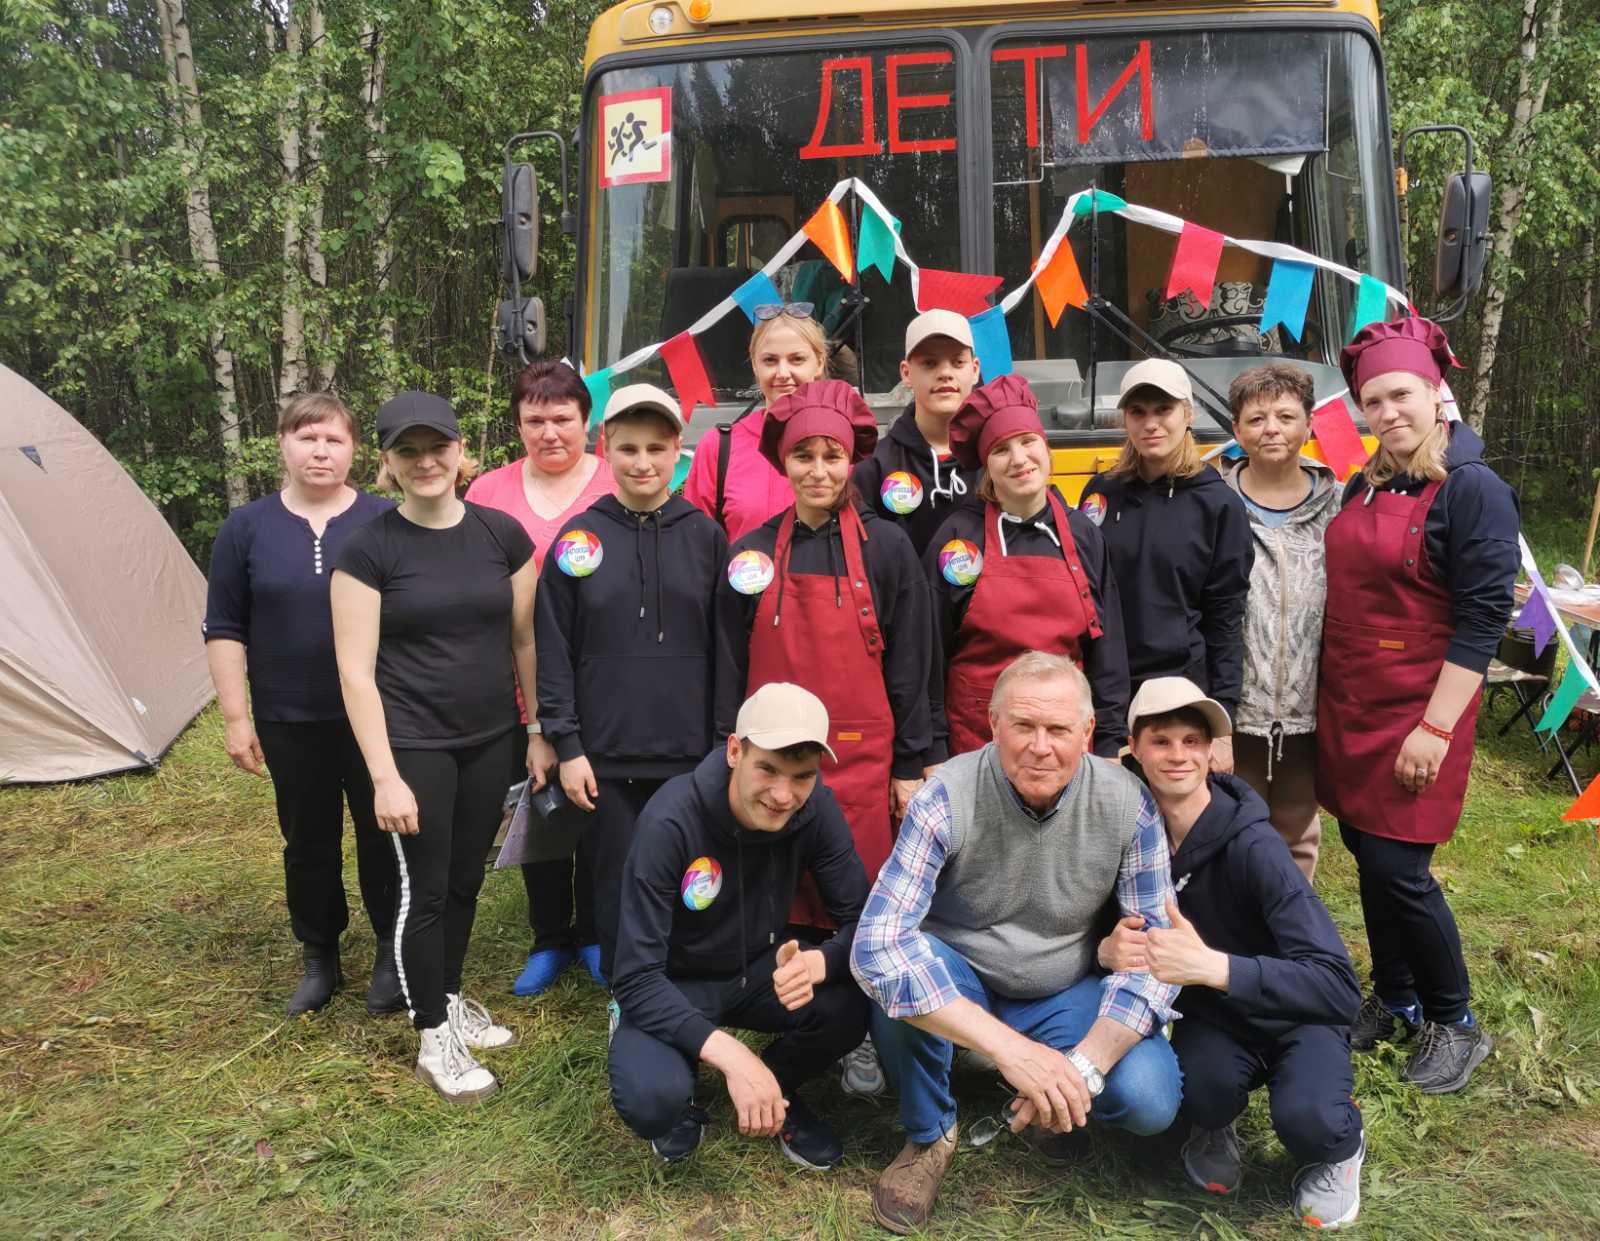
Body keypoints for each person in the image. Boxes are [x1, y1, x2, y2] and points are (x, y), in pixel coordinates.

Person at [851, 652, 1182, 1236]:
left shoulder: (1128, 804)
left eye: (1058, 730)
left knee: (1150, 1098)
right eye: (1023, 726)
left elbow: (1154, 952)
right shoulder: (946, 795)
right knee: (906, 963)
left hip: (1061, 985)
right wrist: (1011, 1050)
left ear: (1086, 734)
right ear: (993, 725)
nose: (1040, 746)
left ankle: (1060, 1098)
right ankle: (929, 1136)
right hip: (961, 980)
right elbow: (875, 946)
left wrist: (1086, 1063)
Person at [1318, 316, 1518, 1094]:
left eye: (1401, 394)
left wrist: (1435, 727)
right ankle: (1395, 996)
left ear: (1437, 395)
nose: (1388, 411)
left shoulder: (1473, 490)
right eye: (1373, 400)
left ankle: (1456, 1019)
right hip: (1352, 707)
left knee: (1402, 870)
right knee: (1368, 856)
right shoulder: (1363, 483)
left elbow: (1482, 621)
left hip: (1419, 713)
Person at [332, 392, 551, 1103]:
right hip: (414, 744)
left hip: (490, 738)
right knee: (423, 891)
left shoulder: (502, 534)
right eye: (408, 451)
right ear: (387, 463)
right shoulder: (368, 550)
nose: (426, 462)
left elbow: (523, 639)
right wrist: (384, 775)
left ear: (462, 450)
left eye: (438, 447)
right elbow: (356, 673)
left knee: (465, 881)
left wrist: (537, 728)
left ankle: (449, 994)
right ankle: (432, 1035)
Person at [1107, 677, 1363, 1230]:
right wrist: (1107, 948)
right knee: (1197, 1091)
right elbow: (1101, 925)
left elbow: (1340, 987)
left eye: (1192, 741)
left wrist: (1213, 967)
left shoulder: (1255, 846)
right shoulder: (1129, 832)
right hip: (1215, 1019)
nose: (1178, 756)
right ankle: (1214, 1121)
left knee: (1310, 1121)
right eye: (1162, 741)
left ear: (1212, 751)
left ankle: (1342, 1153)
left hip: (1298, 1015)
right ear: (1134, 749)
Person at [608, 683, 871, 1171]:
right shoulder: (671, 820)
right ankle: (689, 1077)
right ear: (735, 750)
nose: (782, 795)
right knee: (652, 1099)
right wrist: (733, 1056)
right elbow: (635, 974)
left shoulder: (815, 810)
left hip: (757, 971)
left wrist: (821, 960)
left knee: (852, 1004)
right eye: (767, 769)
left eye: (802, 776)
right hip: (672, 982)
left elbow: (865, 921)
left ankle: (777, 1086)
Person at [203, 393, 399, 1017]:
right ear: (282, 444)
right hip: (289, 716)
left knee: (382, 835)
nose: (320, 451)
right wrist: (237, 717)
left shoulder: (386, 519)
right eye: (307, 437)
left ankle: (393, 958)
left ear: (355, 451)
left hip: (377, 716)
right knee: (307, 839)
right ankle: (320, 955)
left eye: (334, 440)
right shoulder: (246, 528)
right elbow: (225, 626)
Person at [534, 384, 728, 985]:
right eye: (628, 449)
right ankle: (629, 986)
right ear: (606, 449)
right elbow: (554, 646)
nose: (642, 462)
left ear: (678, 452)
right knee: (617, 870)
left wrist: (724, 743)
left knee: (692, 868)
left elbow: (728, 649)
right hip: (605, 752)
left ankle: (689, 975)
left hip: (691, 751)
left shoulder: (706, 537)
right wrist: (567, 744)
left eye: (655, 448)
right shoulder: (579, 539)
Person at [714, 378, 932, 908]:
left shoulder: (887, 548)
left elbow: (912, 668)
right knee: (774, 901)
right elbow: (727, 662)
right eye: (802, 455)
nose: (817, 470)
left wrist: (908, 766)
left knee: (858, 902)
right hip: (770, 760)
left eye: (831, 456)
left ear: (851, 459)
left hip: (863, 761)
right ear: (782, 462)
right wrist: (723, 751)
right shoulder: (751, 555)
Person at [464, 360, 616, 998]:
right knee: (542, 802)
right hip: (517, 677)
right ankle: (550, 935)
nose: (549, 432)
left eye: (562, 418)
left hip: (607, 677)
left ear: (588, 422)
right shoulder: (488, 493)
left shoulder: (618, 480)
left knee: (603, 811)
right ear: (518, 424)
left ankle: (597, 931)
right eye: (534, 420)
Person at [925, 373, 1130, 762]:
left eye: (1027, 442)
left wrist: (1109, 741)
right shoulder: (958, 541)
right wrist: (932, 749)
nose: (1019, 459)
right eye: (1001, 449)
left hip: (1061, 745)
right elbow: (929, 654)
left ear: (1046, 447)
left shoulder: (1083, 536)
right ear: (986, 464)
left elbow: (1109, 651)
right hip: (977, 745)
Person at [1081, 359, 1253, 774]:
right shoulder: (1100, 494)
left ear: (1188, 414)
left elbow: (1226, 617)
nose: (1151, 424)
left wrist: (1223, 723)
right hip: (1105, 690)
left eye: (1164, 410)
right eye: (1138, 412)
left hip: (1180, 690)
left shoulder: (1218, 504)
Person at [1218, 364, 1340, 880]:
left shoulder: (1340, 506)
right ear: (1236, 430)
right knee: (1231, 825)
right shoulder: (1214, 501)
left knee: (1296, 828)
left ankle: (1296, 937)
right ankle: (1233, 941)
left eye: (1287, 416)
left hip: (1310, 702)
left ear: (1309, 425)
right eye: (1257, 418)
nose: (1272, 428)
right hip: (1236, 704)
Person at [683, 304, 828, 540]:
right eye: (770, 360)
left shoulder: (846, 446)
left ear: (819, 363)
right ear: (754, 365)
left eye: (796, 359)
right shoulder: (719, 448)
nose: (783, 373)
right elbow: (696, 548)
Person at [852, 310, 983, 557]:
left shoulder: (996, 460)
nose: (945, 373)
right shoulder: (874, 467)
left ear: (974, 370)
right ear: (905, 373)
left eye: (957, 362)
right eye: (929, 363)